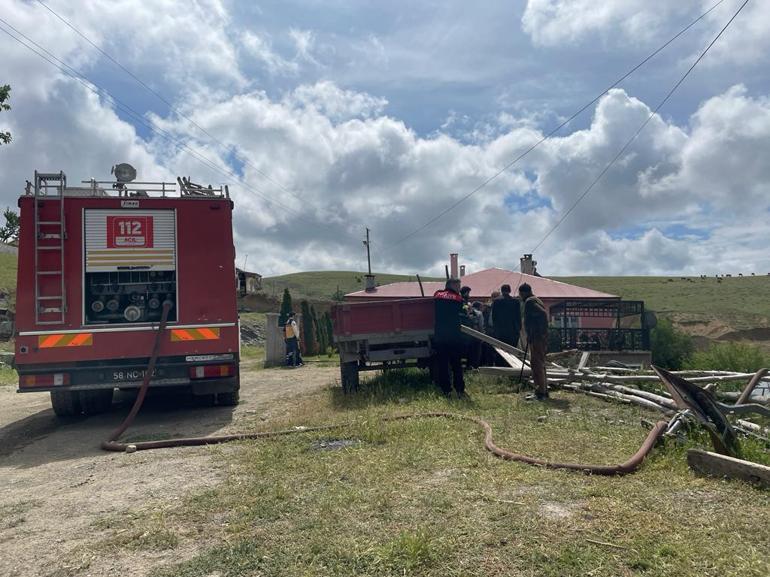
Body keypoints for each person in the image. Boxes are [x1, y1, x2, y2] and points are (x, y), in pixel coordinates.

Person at [432, 278, 465, 397]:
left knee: (443, 364)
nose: (459, 288)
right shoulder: (458, 298)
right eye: (458, 286)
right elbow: (463, 311)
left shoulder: (437, 294)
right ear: (452, 285)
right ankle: (459, 388)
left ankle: (446, 389)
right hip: (454, 336)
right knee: (456, 364)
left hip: (440, 336)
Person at [519, 283, 549, 400]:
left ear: (523, 293)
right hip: (540, 337)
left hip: (536, 337)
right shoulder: (537, 299)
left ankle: (540, 392)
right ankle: (543, 390)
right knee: (540, 364)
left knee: (536, 364)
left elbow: (542, 314)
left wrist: (535, 333)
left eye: (520, 294)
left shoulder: (530, 302)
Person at [490, 284, 522, 366]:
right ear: (510, 291)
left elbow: (494, 317)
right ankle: (511, 367)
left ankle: (500, 369)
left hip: (500, 331)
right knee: (511, 351)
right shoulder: (515, 302)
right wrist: (518, 329)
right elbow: (518, 317)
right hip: (512, 331)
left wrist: (495, 329)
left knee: (500, 351)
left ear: (501, 290)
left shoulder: (496, 301)